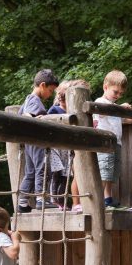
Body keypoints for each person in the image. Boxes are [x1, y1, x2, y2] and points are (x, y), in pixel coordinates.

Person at [17, 69, 60, 213]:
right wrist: (35, 119)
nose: (50, 94)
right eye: (50, 90)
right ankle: (41, 199)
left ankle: (22, 203)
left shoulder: (28, 98)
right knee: (42, 169)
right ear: (42, 85)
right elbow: (27, 116)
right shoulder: (35, 100)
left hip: (29, 143)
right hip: (37, 142)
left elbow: (21, 114)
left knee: (30, 172)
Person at [47, 79, 91, 211]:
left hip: (69, 149)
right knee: (57, 175)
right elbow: (47, 122)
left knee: (67, 176)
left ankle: (65, 202)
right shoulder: (55, 109)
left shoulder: (73, 110)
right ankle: (55, 200)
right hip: (57, 148)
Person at [92, 70, 132, 208]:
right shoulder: (100, 102)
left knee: (112, 174)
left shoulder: (115, 106)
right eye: (115, 92)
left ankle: (107, 198)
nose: (118, 96)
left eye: (121, 94)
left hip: (116, 143)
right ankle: (97, 201)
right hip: (104, 143)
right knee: (104, 171)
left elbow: (125, 118)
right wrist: (120, 108)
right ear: (105, 87)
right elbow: (103, 112)